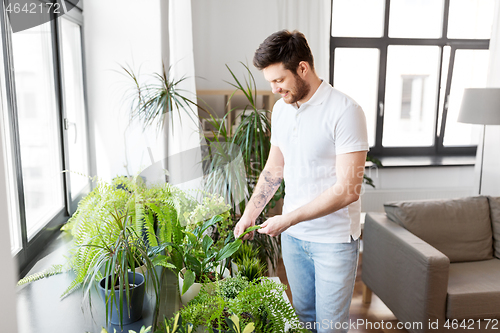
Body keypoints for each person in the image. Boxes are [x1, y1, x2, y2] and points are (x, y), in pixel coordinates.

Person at [233, 30, 369, 333]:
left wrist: (288, 218)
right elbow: (273, 169)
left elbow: (348, 190)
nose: (275, 88)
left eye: (279, 80)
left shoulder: (346, 111)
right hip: (294, 240)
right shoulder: (280, 110)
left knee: (330, 327)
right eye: (270, 81)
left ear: (303, 69)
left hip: (333, 242)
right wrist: (249, 215)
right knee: (303, 321)